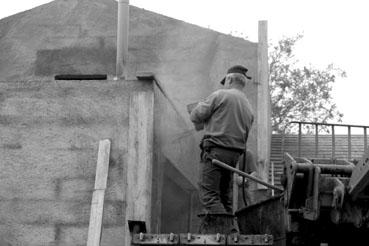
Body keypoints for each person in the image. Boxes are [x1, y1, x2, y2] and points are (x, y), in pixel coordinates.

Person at [190, 65, 254, 216]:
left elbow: (195, 116)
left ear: (230, 79)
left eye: (225, 81)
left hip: (216, 153)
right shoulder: (248, 107)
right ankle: (230, 233)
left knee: (209, 196)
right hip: (233, 157)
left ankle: (227, 231)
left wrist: (200, 106)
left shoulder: (220, 95)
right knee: (225, 198)